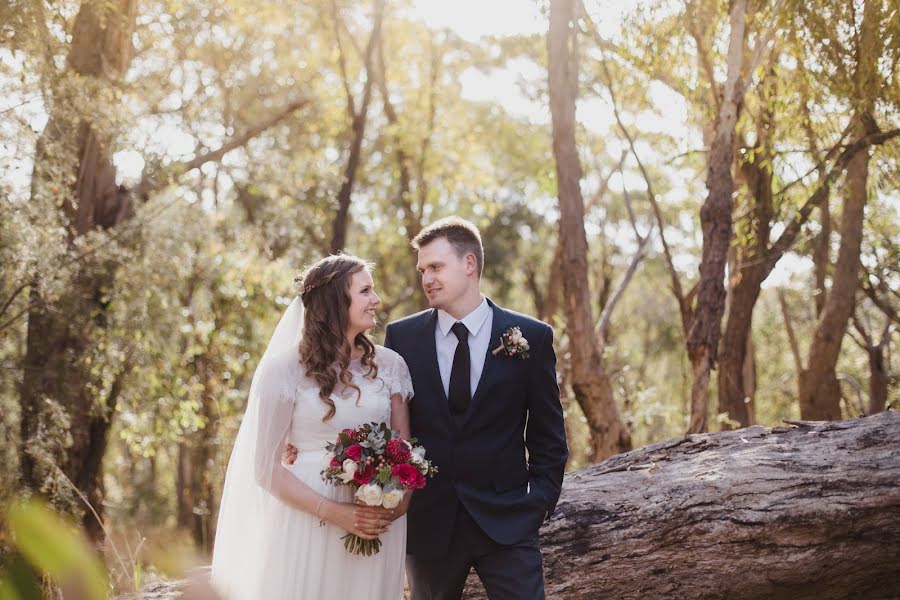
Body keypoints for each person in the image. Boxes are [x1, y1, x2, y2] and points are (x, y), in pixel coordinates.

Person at [384, 216, 568, 599]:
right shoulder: (402, 337)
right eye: (422, 270)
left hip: (508, 521)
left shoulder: (530, 336)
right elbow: (390, 424)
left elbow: (548, 434)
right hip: (430, 524)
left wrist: (540, 503)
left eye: (435, 266)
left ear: (469, 264)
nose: (426, 278)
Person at [211, 254, 414, 600]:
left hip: (375, 521)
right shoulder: (283, 371)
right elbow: (265, 469)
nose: (376, 300)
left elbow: (403, 453)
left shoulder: (391, 366)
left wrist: (393, 509)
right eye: (365, 291)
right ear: (336, 300)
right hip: (307, 517)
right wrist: (336, 513)